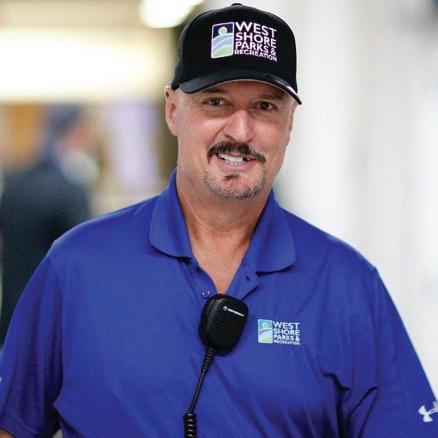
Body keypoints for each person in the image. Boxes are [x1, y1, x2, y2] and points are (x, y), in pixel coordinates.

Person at [0, 3, 436, 437]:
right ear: (173, 110)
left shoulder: (346, 285)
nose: (240, 132)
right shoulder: (78, 267)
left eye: (265, 106)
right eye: (216, 102)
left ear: (289, 123)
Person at [0, 105, 93, 346]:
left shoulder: (15, 183)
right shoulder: (70, 192)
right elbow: (82, 264)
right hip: (51, 325)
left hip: (11, 319)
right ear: (77, 131)